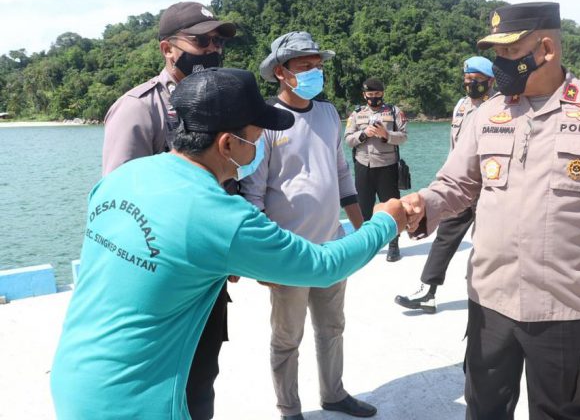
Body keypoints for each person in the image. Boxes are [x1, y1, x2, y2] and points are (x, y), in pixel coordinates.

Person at [50, 67, 406, 420]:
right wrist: (385, 221)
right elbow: (324, 267)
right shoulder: (223, 215)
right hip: (140, 403)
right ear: (227, 143)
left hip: (72, 378)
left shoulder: (123, 177)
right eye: (256, 136)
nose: (259, 145)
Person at [400, 2, 580, 419]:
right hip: (492, 298)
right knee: (485, 407)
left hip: (564, 303)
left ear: (545, 48)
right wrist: (422, 205)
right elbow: (457, 184)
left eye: (508, 51)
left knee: (559, 410)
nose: (498, 63)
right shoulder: (489, 113)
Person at [100, 1, 236, 420]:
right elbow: (118, 205)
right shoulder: (140, 108)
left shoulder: (221, 104)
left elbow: (228, 184)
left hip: (207, 280)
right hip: (160, 286)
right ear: (167, 49)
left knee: (201, 385)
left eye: (217, 41)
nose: (212, 49)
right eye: (200, 40)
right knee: (161, 391)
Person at [241, 31, 377, 420]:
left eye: (318, 66)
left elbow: (341, 173)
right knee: (287, 338)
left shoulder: (329, 113)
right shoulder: (266, 123)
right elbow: (253, 194)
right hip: (288, 253)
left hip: (333, 246)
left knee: (332, 328)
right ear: (282, 72)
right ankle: (290, 409)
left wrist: (363, 231)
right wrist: (262, 259)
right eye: (306, 67)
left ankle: (333, 394)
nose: (316, 73)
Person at [394, 56, 494, 313]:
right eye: (467, 80)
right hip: (460, 186)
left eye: (477, 80)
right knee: (445, 235)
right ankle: (428, 291)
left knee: (488, 243)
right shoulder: (461, 106)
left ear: (491, 82)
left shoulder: (499, 108)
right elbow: (455, 147)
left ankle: (484, 297)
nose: (471, 84)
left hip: (489, 189)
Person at [344, 77, 408, 262]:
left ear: (383, 93)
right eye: (370, 95)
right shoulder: (356, 114)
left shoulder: (394, 112)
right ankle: (365, 246)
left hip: (387, 166)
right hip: (363, 166)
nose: (374, 98)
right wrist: (363, 134)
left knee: (391, 207)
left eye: (377, 94)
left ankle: (394, 245)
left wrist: (386, 135)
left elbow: (403, 137)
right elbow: (348, 139)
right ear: (364, 95)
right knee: (363, 208)